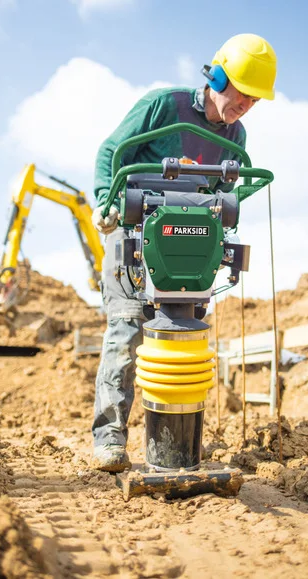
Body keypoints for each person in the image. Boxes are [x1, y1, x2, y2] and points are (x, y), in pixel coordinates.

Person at [89, 33, 277, 472]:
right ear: (217, 75)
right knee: (126, 330)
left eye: (254, 100)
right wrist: (106, 201)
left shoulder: (236, 134)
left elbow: (223, 191)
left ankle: (178, 437)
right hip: (134, 231)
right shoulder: (164, 106)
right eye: (241, 92)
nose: (245, 105)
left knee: (185, 331)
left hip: (187, 243)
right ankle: (110, 437)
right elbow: (112, 152)